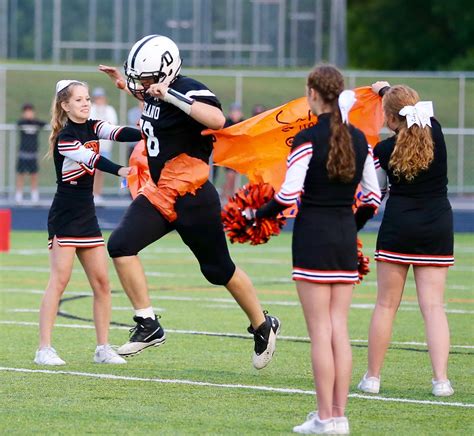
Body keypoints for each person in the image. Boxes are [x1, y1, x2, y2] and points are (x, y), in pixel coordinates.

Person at [98, 34, 280, 370]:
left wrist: (171, 95)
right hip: (159, 192)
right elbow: (153, 108)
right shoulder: (153, 91)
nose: (143, 85)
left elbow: (216, 120)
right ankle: (148, 324)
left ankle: (262, 324)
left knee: (218, 270)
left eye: (147, 79)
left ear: (167, 72)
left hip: (193, 196)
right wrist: (125, 85)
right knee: (121, 245)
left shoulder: (189, 89)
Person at [247, 65, 381, 434]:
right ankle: (339, 416)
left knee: (321, 332)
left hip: (312, 239)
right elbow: (371, 198)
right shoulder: (358, 139)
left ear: (312, 94)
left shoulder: (306, 138)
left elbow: (287, 195)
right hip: (342, 240)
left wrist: (253, 214)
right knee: (339, 328)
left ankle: (325, 417)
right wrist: (349, 228)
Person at [357, 82, 455, 397]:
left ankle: (372, 378)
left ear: (389, 118)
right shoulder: (436, 131)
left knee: (386, 305)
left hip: (399, 226)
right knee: (434, 307)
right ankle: (441, 381)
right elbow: (408, 110)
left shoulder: (383, 150)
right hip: (437, 226)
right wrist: (387, 89)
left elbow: (374, 191)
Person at [34, 80, 141, 366]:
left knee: (102, 284)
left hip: (87, 217)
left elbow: (119, 133)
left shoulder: (95, 126)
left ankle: (103, 347)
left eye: (87, 99)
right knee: (59, 281)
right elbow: (91, 159)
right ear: (65, 105)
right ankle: (44, 348)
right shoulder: (65, 137)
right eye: (78, 100)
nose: (85, 103)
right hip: (66, 216)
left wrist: (147, 133)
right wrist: (122, 170)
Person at [89, 87, 119, 204]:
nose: (99, 100)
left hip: (105, 146)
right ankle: (91, 194)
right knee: (92, 171)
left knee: (100, 171)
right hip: (93, 146)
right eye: (97, 98)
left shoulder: (110, 110)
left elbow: (112, 125)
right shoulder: (91, 109)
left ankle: (97, 194)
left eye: (100, 97)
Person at [15, 103, 46, 203]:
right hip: (23, 154)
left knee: (34, 175)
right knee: (21, 174)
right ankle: (19, 195)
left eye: (30, 111)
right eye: (26, 112)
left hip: (33, 154)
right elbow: (18, 123)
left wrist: (33, 120)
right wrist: (27, 119)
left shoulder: (36, 123)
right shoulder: (22, 123)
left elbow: (43, 123)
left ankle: (34, 195)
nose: (28, 114)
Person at [218, 102, 245, 201]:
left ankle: (230, 196)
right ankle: (224, 196)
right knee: (230, 176)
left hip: (239, 154)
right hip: (228, 154)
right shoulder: (226, 123)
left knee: (234, 177)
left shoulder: (243, 123)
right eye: (233, 111)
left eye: (237, 112)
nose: (235, 114)